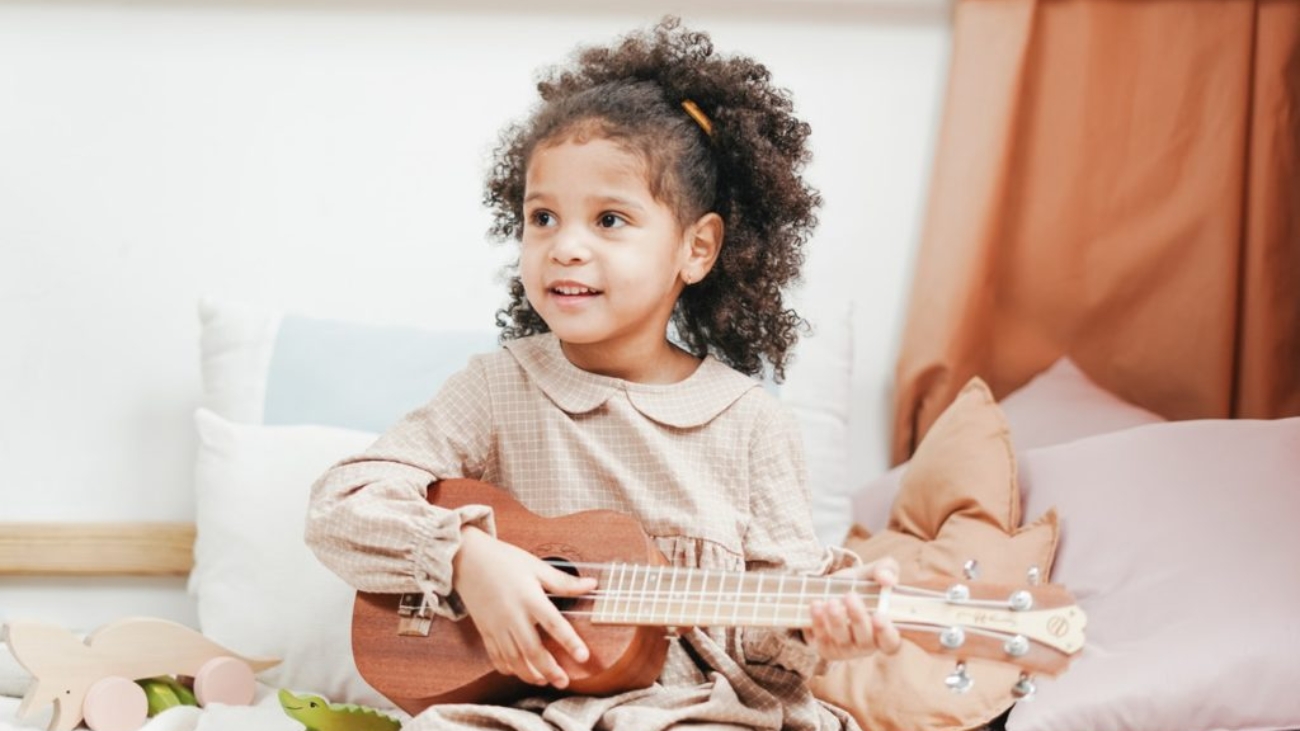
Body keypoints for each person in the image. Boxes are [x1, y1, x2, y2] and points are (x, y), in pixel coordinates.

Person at [306, 17, 899, 731]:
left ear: (696, 248)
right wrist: (466, 557)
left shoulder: (749, 423)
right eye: (544, 217)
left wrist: (813, 630)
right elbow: (339, 504)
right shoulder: (498, 389)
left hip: (695, 714)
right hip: (528, 708)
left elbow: (766, 642)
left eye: (610, 219)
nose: (566, 247)